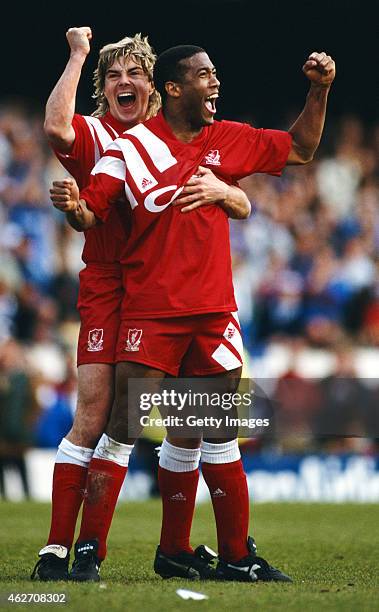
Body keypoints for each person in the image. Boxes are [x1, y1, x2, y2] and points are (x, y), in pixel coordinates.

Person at [50, 45, 335, 583]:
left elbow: (301, 146)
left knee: (212, 431)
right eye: (206, 75)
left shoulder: (226, 137)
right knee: (122, 427)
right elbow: (93, 212)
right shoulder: (129, 149)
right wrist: (73, 207)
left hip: (213, 312)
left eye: (216, 74)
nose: (216, 83)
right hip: (151, 311)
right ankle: (89, 550)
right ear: (175, 89)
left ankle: (230, 554)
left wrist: (318, 90)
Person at [32, 29, 251, 582]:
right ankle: (64, 550)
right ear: (102, 90)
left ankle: (175, 548)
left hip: (174, 292)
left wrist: (233, 196)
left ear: (157, 88)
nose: (124, 83)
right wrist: (79, 53)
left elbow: (242, 195)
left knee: (190, 423)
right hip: (113, 285)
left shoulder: (187, 137)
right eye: (113, 76)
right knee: (99, 414)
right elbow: (57, 127)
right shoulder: (101, 136)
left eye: (135, 74)